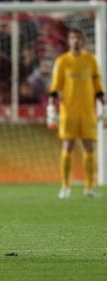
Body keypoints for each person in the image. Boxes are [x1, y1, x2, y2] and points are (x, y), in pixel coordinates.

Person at [47, 28, 106, 199]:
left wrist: (105, 105)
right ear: (68, 41)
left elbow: (98, 87)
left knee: (90, 147)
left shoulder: (91, 61)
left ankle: (89, 188)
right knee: (68, 146)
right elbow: (55, 87)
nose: (76, 41)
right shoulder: (62, 61)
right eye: (73, 38)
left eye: (79, 38)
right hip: (68, 112)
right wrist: (51, 108)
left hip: (88, 112)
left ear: (83, 41)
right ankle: (65, 187)